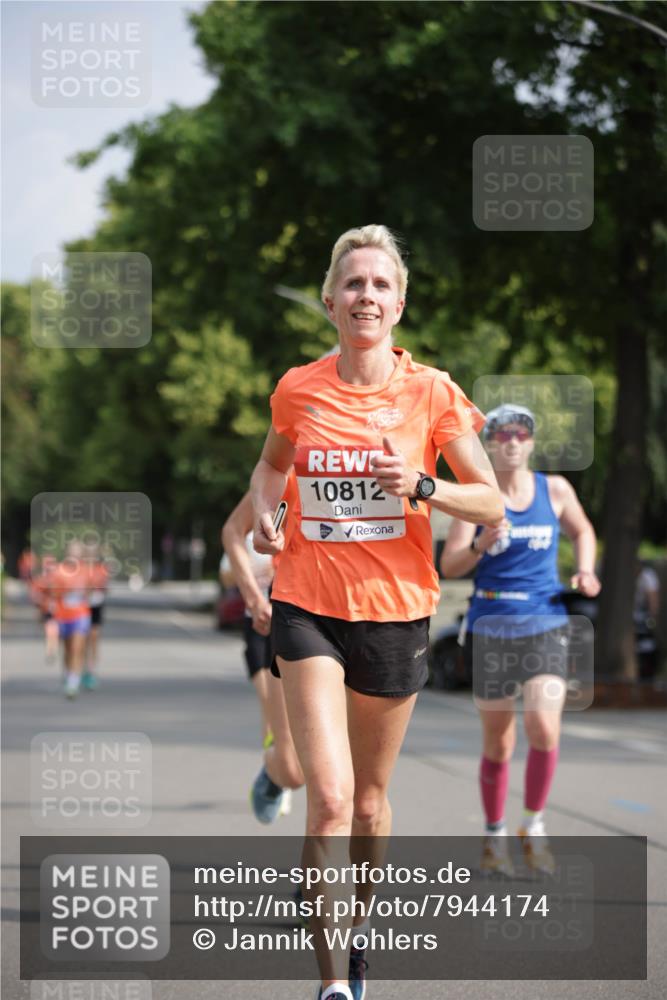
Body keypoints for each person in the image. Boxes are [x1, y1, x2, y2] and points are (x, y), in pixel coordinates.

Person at [251, 225, 503, 1000]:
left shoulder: (430, 392)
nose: (366, 296)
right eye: (353, 284)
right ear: (330, 301)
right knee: (327, 797)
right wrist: (266, 512)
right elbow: (270, 464)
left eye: (380, 285)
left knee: (366, 802)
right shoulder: (298, 388)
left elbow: (490, 500)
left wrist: (423, 487)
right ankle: (332, 987)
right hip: (306, 607)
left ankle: (356, 933)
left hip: (394, 614)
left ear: (398, 304)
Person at [441, 403, 601, 877]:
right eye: (502, 433)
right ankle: (494, 836)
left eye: (520, 433)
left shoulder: (554, 489)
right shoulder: (475, 496)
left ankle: (532, 824)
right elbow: (448, 566)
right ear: (489, 443)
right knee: (499, 743)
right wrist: (479, 544)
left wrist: (586, 567)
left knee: (544, 726)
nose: (511, 440)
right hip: (491, 623)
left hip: (545, 620)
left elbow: (583, 529)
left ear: (530, 443)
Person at [222, 487, 305, 824]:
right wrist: (255, 598)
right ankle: (276, 770)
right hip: (275, 617)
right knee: (292, 766)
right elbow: (230, 534)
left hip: (356, 614)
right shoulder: (281, 475)